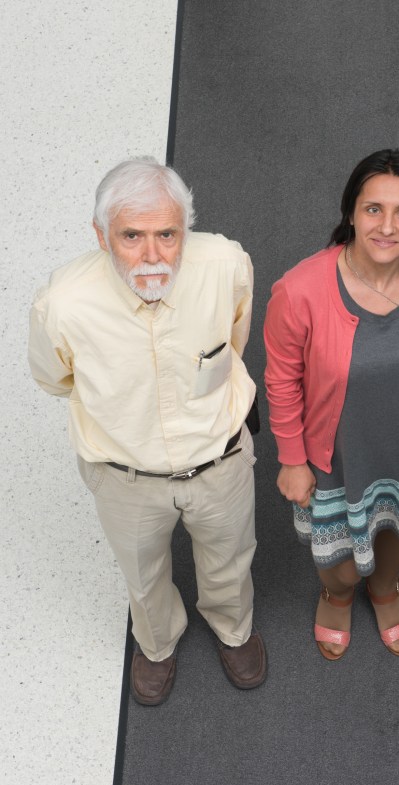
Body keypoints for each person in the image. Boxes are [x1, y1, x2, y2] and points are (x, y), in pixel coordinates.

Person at [29, 158, 267, 706]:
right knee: (142, 574)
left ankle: (232, 630)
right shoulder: (63, 304)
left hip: (220, 460)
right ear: (100, 234)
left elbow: (235, 336)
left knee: (231, 558)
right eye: (131, 236)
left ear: (187, 229)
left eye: (167, 234)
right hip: (125, 476)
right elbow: (54, 377)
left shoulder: (225, 263)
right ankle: (156, 643)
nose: (153, 255)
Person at [264, 149, 399, 660]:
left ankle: (385, 587)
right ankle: (337, 593)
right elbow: (281, 381)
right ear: (350, 213)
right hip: (340, 453)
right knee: (338, 558)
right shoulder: (298, 291)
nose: (387, 227)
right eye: (372, 209)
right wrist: (293, 460)